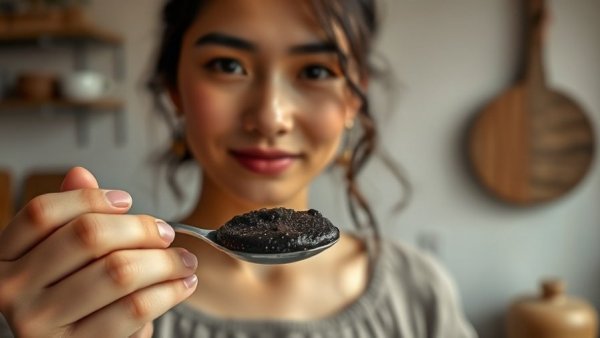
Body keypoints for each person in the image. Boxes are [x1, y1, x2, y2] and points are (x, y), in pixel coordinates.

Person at [0, 0, 477, 337]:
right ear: (173, 87)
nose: (270, 117)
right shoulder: (89, 300)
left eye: (316, 71)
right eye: (228, 65)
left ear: (354, 97)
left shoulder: (419, 295)